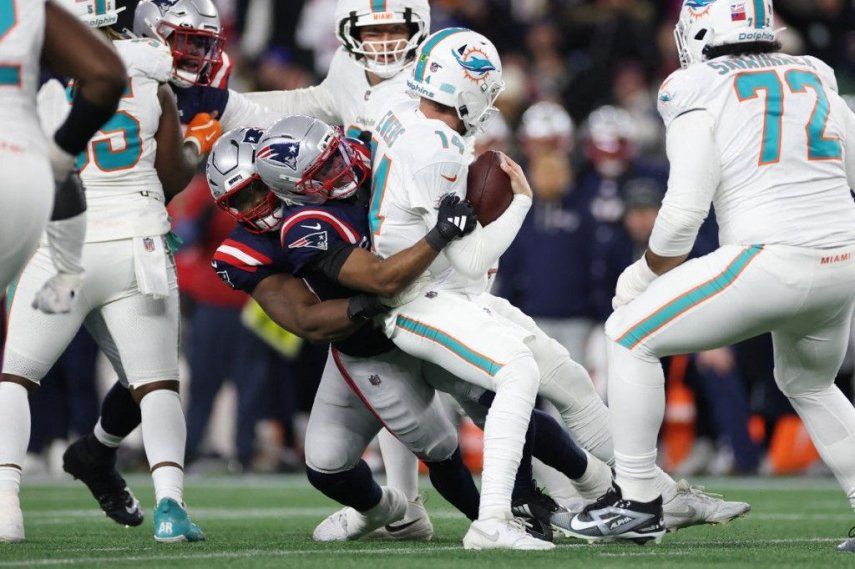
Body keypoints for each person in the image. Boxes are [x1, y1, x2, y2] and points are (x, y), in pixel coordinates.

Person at [372, 27, 751, 549]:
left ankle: (658, 494)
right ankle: (495, 520)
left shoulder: (401, 116)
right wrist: (522, 202)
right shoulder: (435, 144)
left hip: (452, 294)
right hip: (416, 300)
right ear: (468, 85)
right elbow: (471, 255)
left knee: (570, 381)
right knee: (517, 372)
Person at [568, 0, 855, 551]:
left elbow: (681, 214)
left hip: (773, 256)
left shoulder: (694, 85)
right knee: (809, 382)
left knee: (629, 333)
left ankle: (636, 500)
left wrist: (643, 274)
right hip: (841, 260)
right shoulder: (815, 72)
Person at [3, 0, 214, 543]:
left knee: (16, 378)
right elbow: (172, 174)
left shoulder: (39, 86)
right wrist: (196, 143)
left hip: (61, 247)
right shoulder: (153, 77)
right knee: (158, 385)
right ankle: (170, 508)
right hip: (135, 244)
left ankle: (6, 505)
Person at [244, 0, 443, 537]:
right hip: (373, 238)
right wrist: (226, 106)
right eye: (371, 30)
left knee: (481, 386)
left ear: (418, 27)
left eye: (394, 29)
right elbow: (313, 102)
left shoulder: (438, 68)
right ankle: (405, 506)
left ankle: (548, 496)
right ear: (349, 33)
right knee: (396, 371)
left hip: (435, 238)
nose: (383, 41)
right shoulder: (349, 71)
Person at [0, 0, 126, 543]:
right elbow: (106, 75)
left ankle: (7, 498)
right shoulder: (28, 9)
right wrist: (56, 157)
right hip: (25, 180)